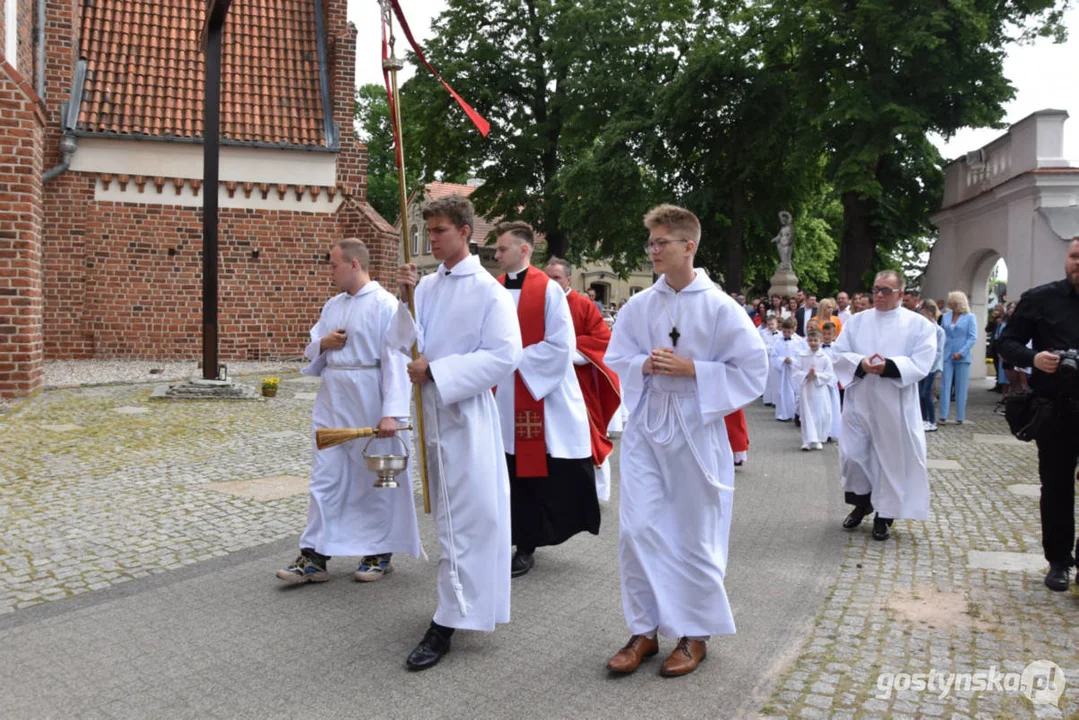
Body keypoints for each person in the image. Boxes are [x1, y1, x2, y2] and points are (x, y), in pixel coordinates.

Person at [604, 204, 768, 678]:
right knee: (638, 530)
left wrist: (694, 369)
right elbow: (618, 355)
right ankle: (644, 629)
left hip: (697, 427)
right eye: (650, 243)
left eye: (661, 243)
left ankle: (695, 633)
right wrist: (645, 365)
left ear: (688, 246)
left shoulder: (719, 306)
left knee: (694, 533)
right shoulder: (640, 305)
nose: (652, 251)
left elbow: (753, 369)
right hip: (649, 426)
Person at [394, 195, 524, 671]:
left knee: (468, 518)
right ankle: (457, 605)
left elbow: (505, 354)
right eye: (428, 231)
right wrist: (403, 299)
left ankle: (448, 620)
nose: (432, 238)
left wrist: (440, 371)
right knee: (448, 518)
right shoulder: (426, 286)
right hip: (431, 413)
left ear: (466, 232)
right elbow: (403, 342)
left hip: (466, 415)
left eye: (440, 231)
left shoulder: (488, 291)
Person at [276, 238, 420, 585]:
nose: (330, 272)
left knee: (376, 480)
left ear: (354, 265)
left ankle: (379, 553)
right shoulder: (333, 305)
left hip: (370, 399)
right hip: (333, 400)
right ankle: (315, 556)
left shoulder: (386, 305)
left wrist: (392, 412)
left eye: (334, 265)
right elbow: (315, 349)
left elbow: (397, 360)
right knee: (325, 478)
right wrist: (323, 344)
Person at [491, 222, 600, 580]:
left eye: (502, 248)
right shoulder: (492, 289)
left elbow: (560, 346)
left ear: (524, 250)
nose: (496, 254)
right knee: (504, 469)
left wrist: (510, 357)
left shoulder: (548, 291)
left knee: (531, 473)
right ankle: (501, 537)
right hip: (500, 393)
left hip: (535, 393)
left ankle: (526, 544)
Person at [996, 237, 1079, 592]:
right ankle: (1058, 561)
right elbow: (1005, 343)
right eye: (1076, 256)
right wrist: (1034, 359)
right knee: (1057, 487)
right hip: (1055, 410)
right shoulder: (1041, 298)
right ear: (1067, 259)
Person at [832, 271, 936, 541]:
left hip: (895, 403)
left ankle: (885, 515)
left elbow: (923, 361)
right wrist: (861, 363)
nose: (878, 295)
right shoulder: (857, 322)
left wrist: (889, 366)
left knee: (890, 460)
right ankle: (862, 501)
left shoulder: (918, 325)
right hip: (860, 399)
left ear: (901, 294)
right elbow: (838, 353)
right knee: (853, 455)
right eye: (876, 289)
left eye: (886, 290)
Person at [545, 257, 622, 503]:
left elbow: (602, 339)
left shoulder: (583, 305)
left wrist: (564, 350)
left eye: (556, 277)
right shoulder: (536, 301)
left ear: (568, 279)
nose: (550, 282)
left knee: (590, 434)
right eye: (546, 277)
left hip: (578, 381)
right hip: (543, 380)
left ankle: (596, 493)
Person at [938, 291, 979, 425]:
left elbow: (972, 337)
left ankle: (960, 416)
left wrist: (961, 352)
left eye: (952, 301)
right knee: (945, 385)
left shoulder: (970, 317)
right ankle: (943, 415)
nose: (949, 304)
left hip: (962, 356)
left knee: (961, 387)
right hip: (947, 354)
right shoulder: (945, 316)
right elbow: (942, 334)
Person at [793, 328, 835, 451]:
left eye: (815, 340)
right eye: (810, 340)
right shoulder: (802, 356)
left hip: (819, 388)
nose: (813, 343)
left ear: (820, 340)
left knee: (819, 413)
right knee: (806, 413)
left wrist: (817, 375)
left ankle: (817, 439)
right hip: (806, 388)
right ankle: (806, 440)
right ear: (807, 341)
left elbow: (829, 374)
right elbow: (796, 371)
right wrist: (806, 374)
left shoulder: (825, 357)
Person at [917, 299, 945, 432]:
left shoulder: (939, 331)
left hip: (931, 367)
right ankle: (923, 419)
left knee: (926, 393)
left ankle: (932, 420)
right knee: (920, 393)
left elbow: (938, 351)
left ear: (928, 313)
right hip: (922, 366)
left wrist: (929, 363)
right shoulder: (923, 329)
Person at [770, 317, 804, 422]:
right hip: (782, 371)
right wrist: (782, 360)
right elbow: (774, 356)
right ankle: (782, 414)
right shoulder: (777, 341)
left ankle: (795, 413)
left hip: (793, 370)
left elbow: (802, 356)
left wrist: (793, 361)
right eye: (784, 331)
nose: (786, 334)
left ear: (794, 329)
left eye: (789, 332)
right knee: (782, 392)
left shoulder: (799, 341)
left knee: (795, 392)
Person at [819, 321, 842, 439]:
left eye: (829, 334)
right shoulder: (818, 348)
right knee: (822, 408)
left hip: (832, 383)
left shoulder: (837, 349)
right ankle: (822, 431)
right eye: (824, 334)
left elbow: (838, 365)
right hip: (821, 382)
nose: (826, 336)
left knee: (833, 407)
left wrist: (833, 379)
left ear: (834, 335)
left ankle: (832, 431)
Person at [760, 316, 781, 407]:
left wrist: (773, 349)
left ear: (777, 324)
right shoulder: (763, 333)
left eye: (772, 324)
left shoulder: (780, 335)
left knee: (776, 380)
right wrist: (770, 348)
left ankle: (775, 400)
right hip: (767, 358)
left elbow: (779, 347)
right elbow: (763, 346)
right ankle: (767, 399)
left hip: (776, 359)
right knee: (767, 379)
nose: (770, 326)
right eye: (769, 324)